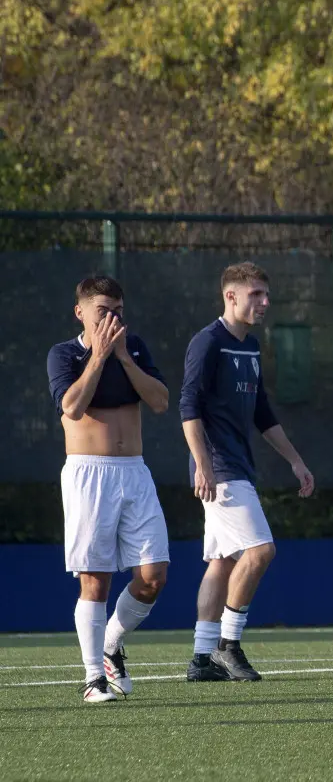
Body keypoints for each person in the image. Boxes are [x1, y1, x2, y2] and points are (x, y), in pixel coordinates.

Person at [180, 262, 315, 683]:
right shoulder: (207, 342)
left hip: (237, 465)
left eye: (265, 294)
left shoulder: (251, 347)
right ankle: (227, 646)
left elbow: (262, 413)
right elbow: (189, 408)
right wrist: (203, 465)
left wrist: (295, 460)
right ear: (231, 297)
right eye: (255, 294)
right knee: (260, 551)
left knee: (222, 562)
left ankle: (201, 660)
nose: (265, 302)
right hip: (219, 469)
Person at [47, 275, 171, 702]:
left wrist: (122, 356)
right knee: (94, 581)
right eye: (103, 311)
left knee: (154, 576)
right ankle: (92, 679)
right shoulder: (63, 354)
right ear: (81, 312)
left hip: (135, 473)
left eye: (118, 310)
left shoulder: (133, 347)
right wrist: (99, 357)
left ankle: (110, 644)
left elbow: (160, 401)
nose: (112, 319)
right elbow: (72, 406)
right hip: (88, 474)